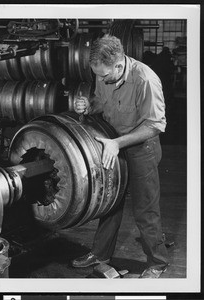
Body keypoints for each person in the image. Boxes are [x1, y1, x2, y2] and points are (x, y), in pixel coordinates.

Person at [72, 34, 169, 278]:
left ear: (119, 64)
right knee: (109, 201)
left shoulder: (145, 79)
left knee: (145, 208)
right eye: (98, 74)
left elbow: (154, 125)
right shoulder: (102, 71)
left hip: (141, 147)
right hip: (113, 143)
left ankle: (158, 262)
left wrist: (117, 143)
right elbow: (101, 102)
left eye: (105, 75)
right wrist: (88, 106)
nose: (101, 79)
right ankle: (100, 253)